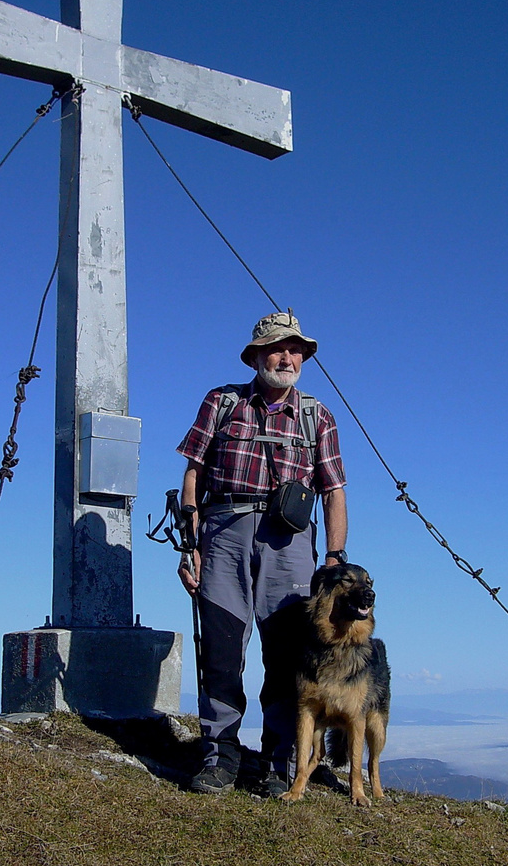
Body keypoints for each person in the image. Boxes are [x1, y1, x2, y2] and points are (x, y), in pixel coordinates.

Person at [176, 311, 348, 795]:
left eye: (296, 350)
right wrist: (191, 545)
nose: (287, 357)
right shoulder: (222, 402)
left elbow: (334, 491)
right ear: (255, 356)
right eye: (277, 348)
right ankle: (219, 754)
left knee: (287, 653)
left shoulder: (318, 416)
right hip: (223, 532)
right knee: (222, 649)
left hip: (289, 543)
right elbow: (193, 474)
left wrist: (334, 558)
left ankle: (279, 761)